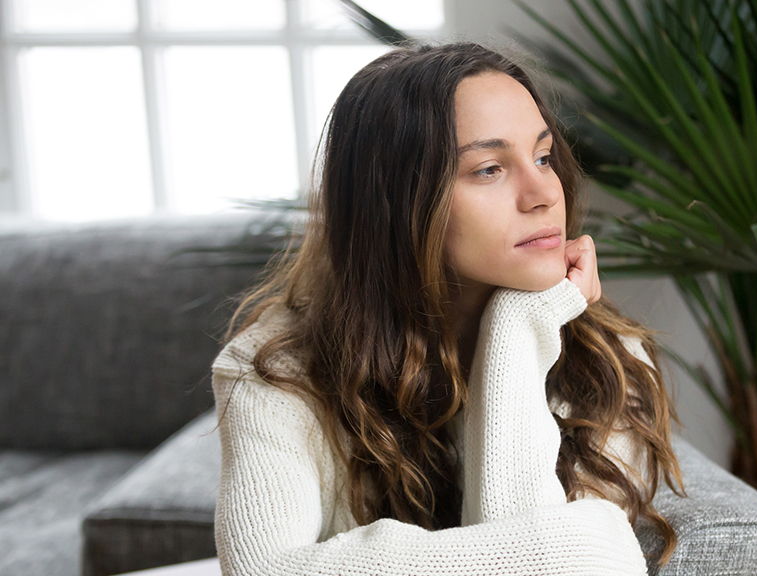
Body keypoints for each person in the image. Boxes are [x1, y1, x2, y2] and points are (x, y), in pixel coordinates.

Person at [212, 41, 685, 575]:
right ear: (397, 203)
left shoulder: (609, 362)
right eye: (489, 169)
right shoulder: (273, 369)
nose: (542, 194)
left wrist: (516, 329)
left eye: (544, 156)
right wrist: (583, 546)